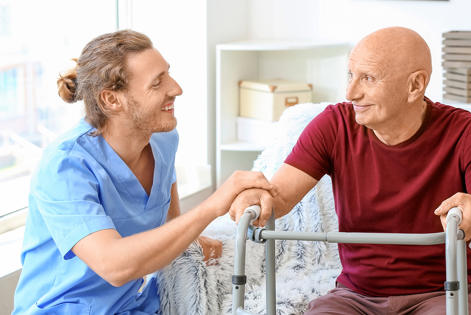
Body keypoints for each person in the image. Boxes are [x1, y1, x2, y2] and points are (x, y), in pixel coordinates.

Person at [229, 27, 471, 314]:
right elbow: (278, 200)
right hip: (355, 296)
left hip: (441, 293)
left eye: (368, 78)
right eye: (350, 75)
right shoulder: (333, 125)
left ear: (415, 86)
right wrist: (255, 197)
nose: (350, 92)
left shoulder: (466, 133)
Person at [12, 30, 276, 315]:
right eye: (157, 83)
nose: (176, 89)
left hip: (133, 306)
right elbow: (113, 265)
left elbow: (170, 226)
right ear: (111, 100)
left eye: (168, 74)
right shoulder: (64, 166)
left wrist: (209, 245)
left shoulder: (162, 139)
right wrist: (213, 205)